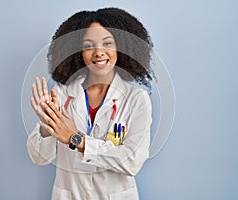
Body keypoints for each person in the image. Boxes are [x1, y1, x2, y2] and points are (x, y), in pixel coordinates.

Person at [27, 7, 154, 200]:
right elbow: (39, 158)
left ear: (121, 47)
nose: (98, 52)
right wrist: (47, 126)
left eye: (107, 43)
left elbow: (132, 161)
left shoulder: (136, 99)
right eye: (88, 45)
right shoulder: (61, 95)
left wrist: (75, 139)